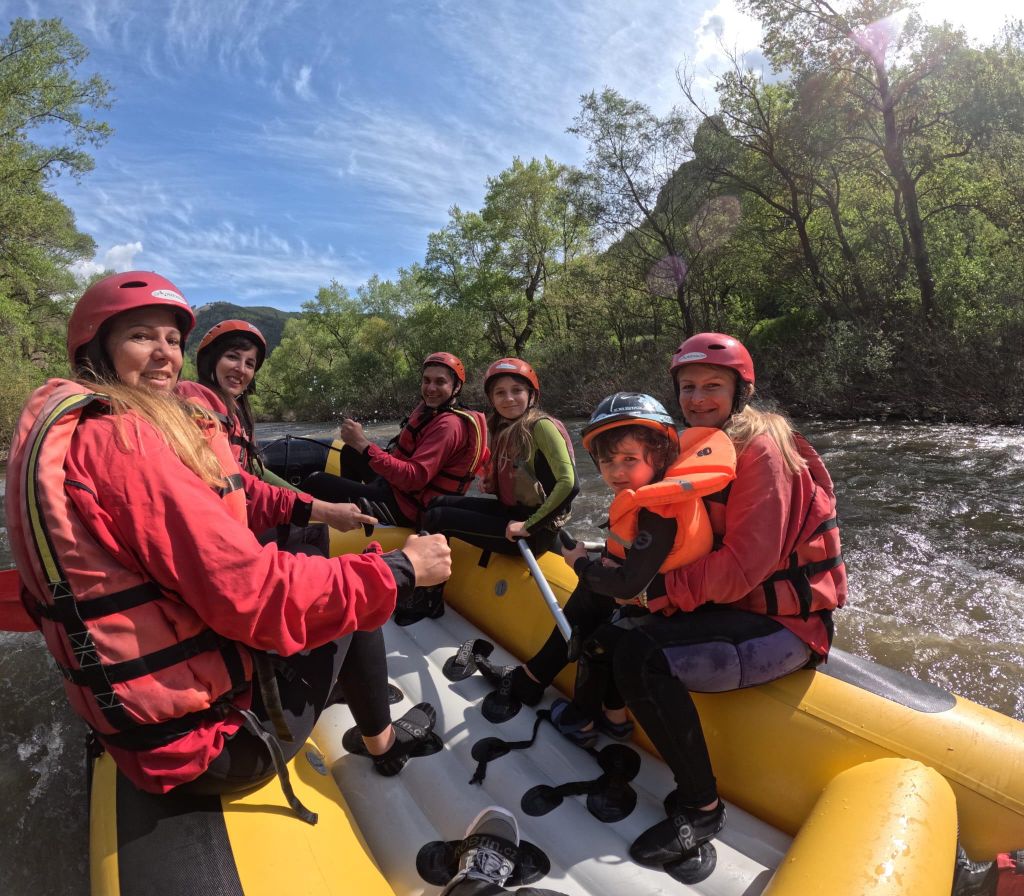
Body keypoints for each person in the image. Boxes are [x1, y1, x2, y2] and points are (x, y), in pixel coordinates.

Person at [4, 271, 453, 818]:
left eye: (171, 339)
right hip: (203, 745)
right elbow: (255, 595)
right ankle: (383, 746)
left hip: (151, 712)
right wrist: (401, 569)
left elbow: (230, 495)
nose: (163, 353)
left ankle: (338, 688)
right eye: (141, 337)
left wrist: (317, 509)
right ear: (98, 350)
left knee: (323, 571)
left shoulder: (92, 426)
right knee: (357, 607)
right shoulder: (125, 441)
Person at [613, 332, 847, 883]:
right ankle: (608, 723)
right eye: (688, 387)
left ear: (741, 391)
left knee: (639, 652)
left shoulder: (763, 448)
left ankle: (701, 808)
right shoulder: (697, 443)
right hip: (731, 603)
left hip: (785, 624)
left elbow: (746, 564)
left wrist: (657, 596)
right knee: (611, 618)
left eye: (712, 387)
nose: (697, 398)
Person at [489, 393, 734, 740]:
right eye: (606, 461)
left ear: (661, 453)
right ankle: (603, 711)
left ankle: (582, 720)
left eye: (629, 459)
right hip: (661, 596)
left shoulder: (659, 511)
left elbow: (627, 586)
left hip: (673, 611)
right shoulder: (655, 496)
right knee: (596, 606)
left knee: (598, 643)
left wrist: (580, 566)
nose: (616, 471)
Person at [404, 358, 578, 624]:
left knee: (439, 519)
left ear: (531, 395)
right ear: (492, 398)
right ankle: (427, 584)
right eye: (500, 392)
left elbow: (569, 484)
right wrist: (492, 481)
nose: (509, 398)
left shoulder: (541, 426)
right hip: (513, 512)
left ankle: (430, 601)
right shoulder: (501, 425)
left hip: (534, 529)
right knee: (437, 503)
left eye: (517, 390)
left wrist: (529, 525)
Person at [302, 352, 488, 531]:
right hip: (395, 489)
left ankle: (351, 515)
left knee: (316, 482)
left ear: (456, 387)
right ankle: (350, 516)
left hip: (409, 509)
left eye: (440, 382)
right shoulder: (431, 410)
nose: (431, 388)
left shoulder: (449, 426)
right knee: (351, 451)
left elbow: (413, 479)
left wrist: (363, 444)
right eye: (426, 380)